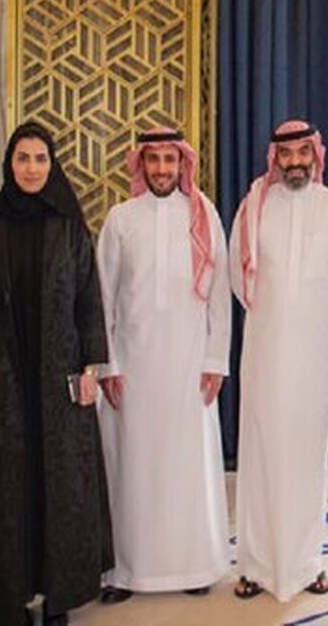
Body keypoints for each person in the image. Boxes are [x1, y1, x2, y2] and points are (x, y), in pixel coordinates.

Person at [0, 122, 112, 626]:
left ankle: (59, 597)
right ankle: (10, 598)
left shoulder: (69, 225)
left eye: (41, 158)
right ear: (9, 164)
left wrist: (91, 366)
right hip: (5, 380)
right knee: (7, 489)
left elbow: (88, 299)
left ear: (52, 164)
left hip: (60, 380)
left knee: (63, 487)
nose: (32, 168)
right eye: (23, 158)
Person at [95, 127, 231, 602]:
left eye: (169, 160)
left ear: (182, 164)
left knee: (186, 466)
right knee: (131, 468)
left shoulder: (204, 216)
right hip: (131, 366)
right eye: (153, 160)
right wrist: (108, 365)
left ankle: (193, 566)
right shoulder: (120, 219)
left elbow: (219, 296)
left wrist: (215, 360)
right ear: (141, 165)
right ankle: (124, 572)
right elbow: (103, 296)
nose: (161, 169)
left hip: (189, 364)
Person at [228, 120, 328, 601]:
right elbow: (237, 275)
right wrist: (276, 319)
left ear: (315, 155)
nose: (295, 162)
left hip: (316, 352)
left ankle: (308, 563)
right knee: (261, 451)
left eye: (303, 153)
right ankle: (254, 564)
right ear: (275, 158)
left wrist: (320, 322)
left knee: (307, 453)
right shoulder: (253, 207)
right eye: (286, 155)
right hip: (265, 349)